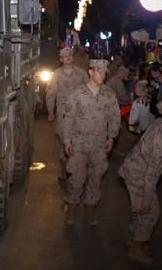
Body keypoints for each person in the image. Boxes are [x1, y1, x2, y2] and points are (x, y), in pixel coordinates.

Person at [119, 97, 162, 265]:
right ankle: (136, 248)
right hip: (138, 174)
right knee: (149, 211)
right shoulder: (161, 139)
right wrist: (146, 200)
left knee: (140, 210)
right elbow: (152, 175)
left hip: (135, 169)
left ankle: (134, 238)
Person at [61, 59, 121, 225]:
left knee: (96, 178)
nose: (102, 75)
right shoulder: (77, 93)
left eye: (104, 72)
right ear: (90, 72)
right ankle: (71, 209)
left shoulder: (108, 94)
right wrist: (67, 140)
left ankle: (90, 211)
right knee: (76, 178)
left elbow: (114, 117)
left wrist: (111, 137)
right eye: (99, 71)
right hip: (79, 143)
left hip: (99, 144)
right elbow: (68, 118)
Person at [46, 47, 89, 177]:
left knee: (80, 138)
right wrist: (50, 111)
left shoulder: (81, 73)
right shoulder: (57, 75)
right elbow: (51, 93)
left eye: (70, 55)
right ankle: (64, 169)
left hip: (80, 113)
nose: (68, 58)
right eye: (65, 56)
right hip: (63, 113)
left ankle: (78, 168)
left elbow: (89, 91)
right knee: (63, 139)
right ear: (61, 59)